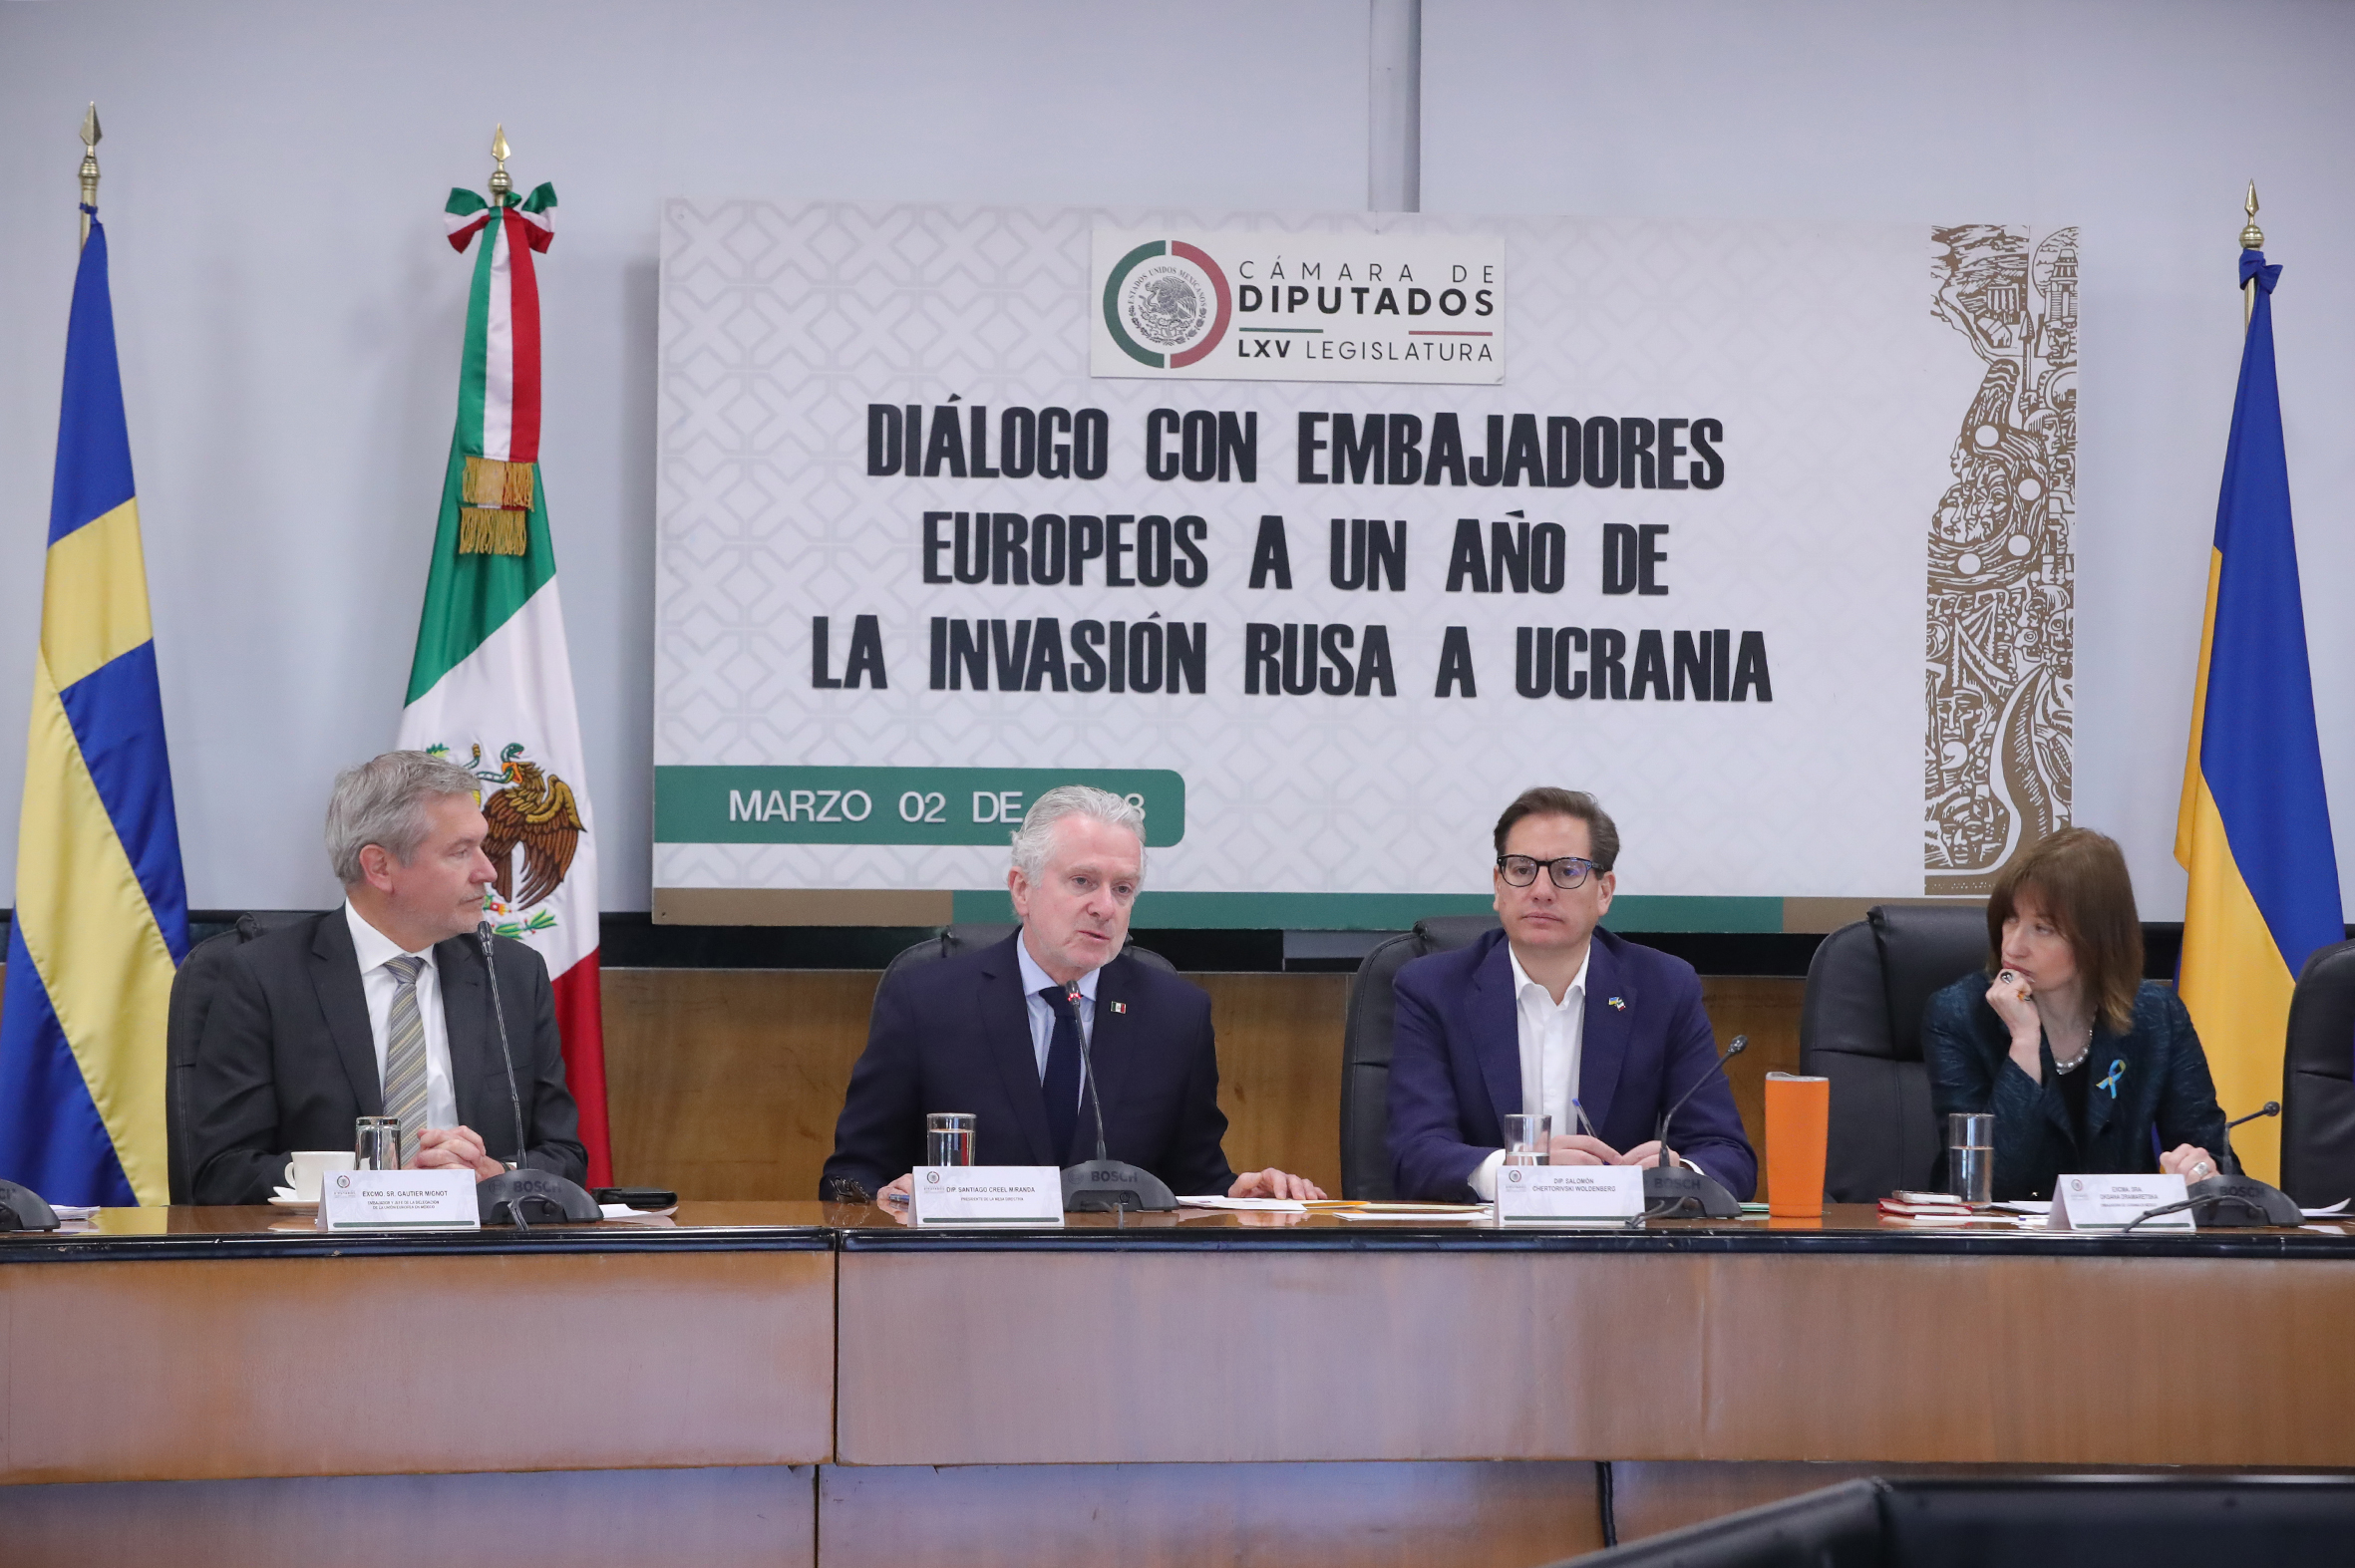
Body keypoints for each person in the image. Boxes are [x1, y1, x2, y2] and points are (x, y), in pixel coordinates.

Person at [823, 785, 1323, 1205]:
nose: (1105, 908)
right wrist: (888, 1200)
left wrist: (1240, 1194)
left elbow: (1191, 1182)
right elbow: (849, 1177)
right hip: (961, 1273)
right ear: (1022, 889)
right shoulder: (926, 1002)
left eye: (1123, 889)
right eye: (1083, 881)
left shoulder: (1175, 1015)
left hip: (1118, 1280)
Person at [187, 752, 586, 1204]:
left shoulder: (511, 973)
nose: (489, 871)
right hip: (329, 1246)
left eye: (482, 846)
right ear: (379, 867)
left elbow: (565, 1156)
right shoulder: (264, 978)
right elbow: (223, 1172)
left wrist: (497, 1177)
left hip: (479, 1243)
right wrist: (378, 1184)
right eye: (460, 852)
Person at [1386, 787, 1757, 1202]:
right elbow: (1413, 1155)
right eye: (1522, 869)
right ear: (1498, 886)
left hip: (1618, 1238)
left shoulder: (1664, 988)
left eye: (1567, 871)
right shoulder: (1434, 989)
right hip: (1484, 1238)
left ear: (1604, 892)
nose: (1541, 890)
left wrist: (1678, 1175)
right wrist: (1521, 1170)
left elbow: (1728, 1155)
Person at [1924, 827, 2227, 1202]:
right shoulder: (1959, 1015)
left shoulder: (2156, 1016)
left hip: (2120, 1235)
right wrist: (2024, 1042)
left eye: (2043, 929)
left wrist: (2203, 1174)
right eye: (2010, 919)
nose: (2013, 947)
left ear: (2097, 939)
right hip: (1995, 1237)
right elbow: (1984, 1184)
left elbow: (2218, 1167)